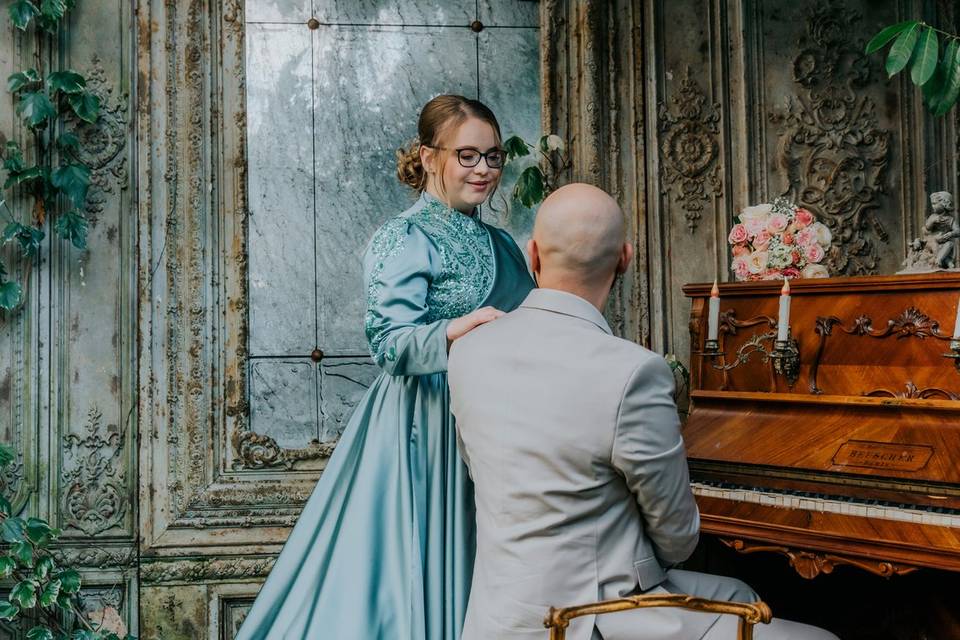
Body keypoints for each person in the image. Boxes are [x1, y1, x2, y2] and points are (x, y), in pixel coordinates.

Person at [448, 183, 838, 640]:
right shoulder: (633, 372)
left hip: (499, 615)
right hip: (585, 620)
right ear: (624, 260)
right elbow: (678, 537)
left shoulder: (468, 350)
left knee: (739, 593)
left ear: (532, 255)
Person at [235, 95, 534, 640]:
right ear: (427, 156)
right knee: (420, 573)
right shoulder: (404, 238)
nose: (484, 170)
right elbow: (390, 344)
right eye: (467, 155)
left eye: (493, 157)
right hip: (427, 425)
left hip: (497, 424)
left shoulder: (503, 244)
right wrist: (453, 331)